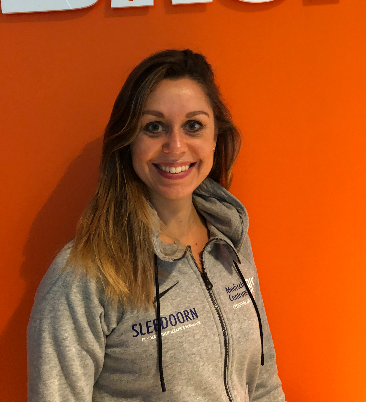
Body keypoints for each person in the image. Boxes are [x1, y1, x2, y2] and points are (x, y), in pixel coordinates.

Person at [27, 49, 286, 402]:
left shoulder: (231, 243)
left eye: (193, 126)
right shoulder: (85, 274)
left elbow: (264, 383)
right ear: (128, 141)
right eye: (153, 127)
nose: (175, 147)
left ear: (215, 137)